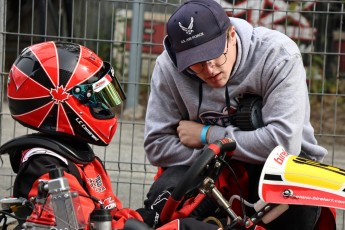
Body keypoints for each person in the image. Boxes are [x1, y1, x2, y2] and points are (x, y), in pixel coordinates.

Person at [138, 0, 335, 229]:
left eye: (215, 56)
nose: (210, 70)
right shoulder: (169, 68)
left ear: (231, 35)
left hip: (276, 166)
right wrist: (221, 158)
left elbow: (284, 144)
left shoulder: (278, 55)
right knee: (166, 198)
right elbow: (157, 145)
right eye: (197, 64)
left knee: (295, 207)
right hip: (211, 167)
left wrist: (207, 135)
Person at [0, 41, 218, 230]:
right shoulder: (46, 168)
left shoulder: (79, 157)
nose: (105, 107)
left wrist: (154, 214)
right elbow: (85, 224)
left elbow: (110, 216)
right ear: (61, 102)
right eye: (96, 98)